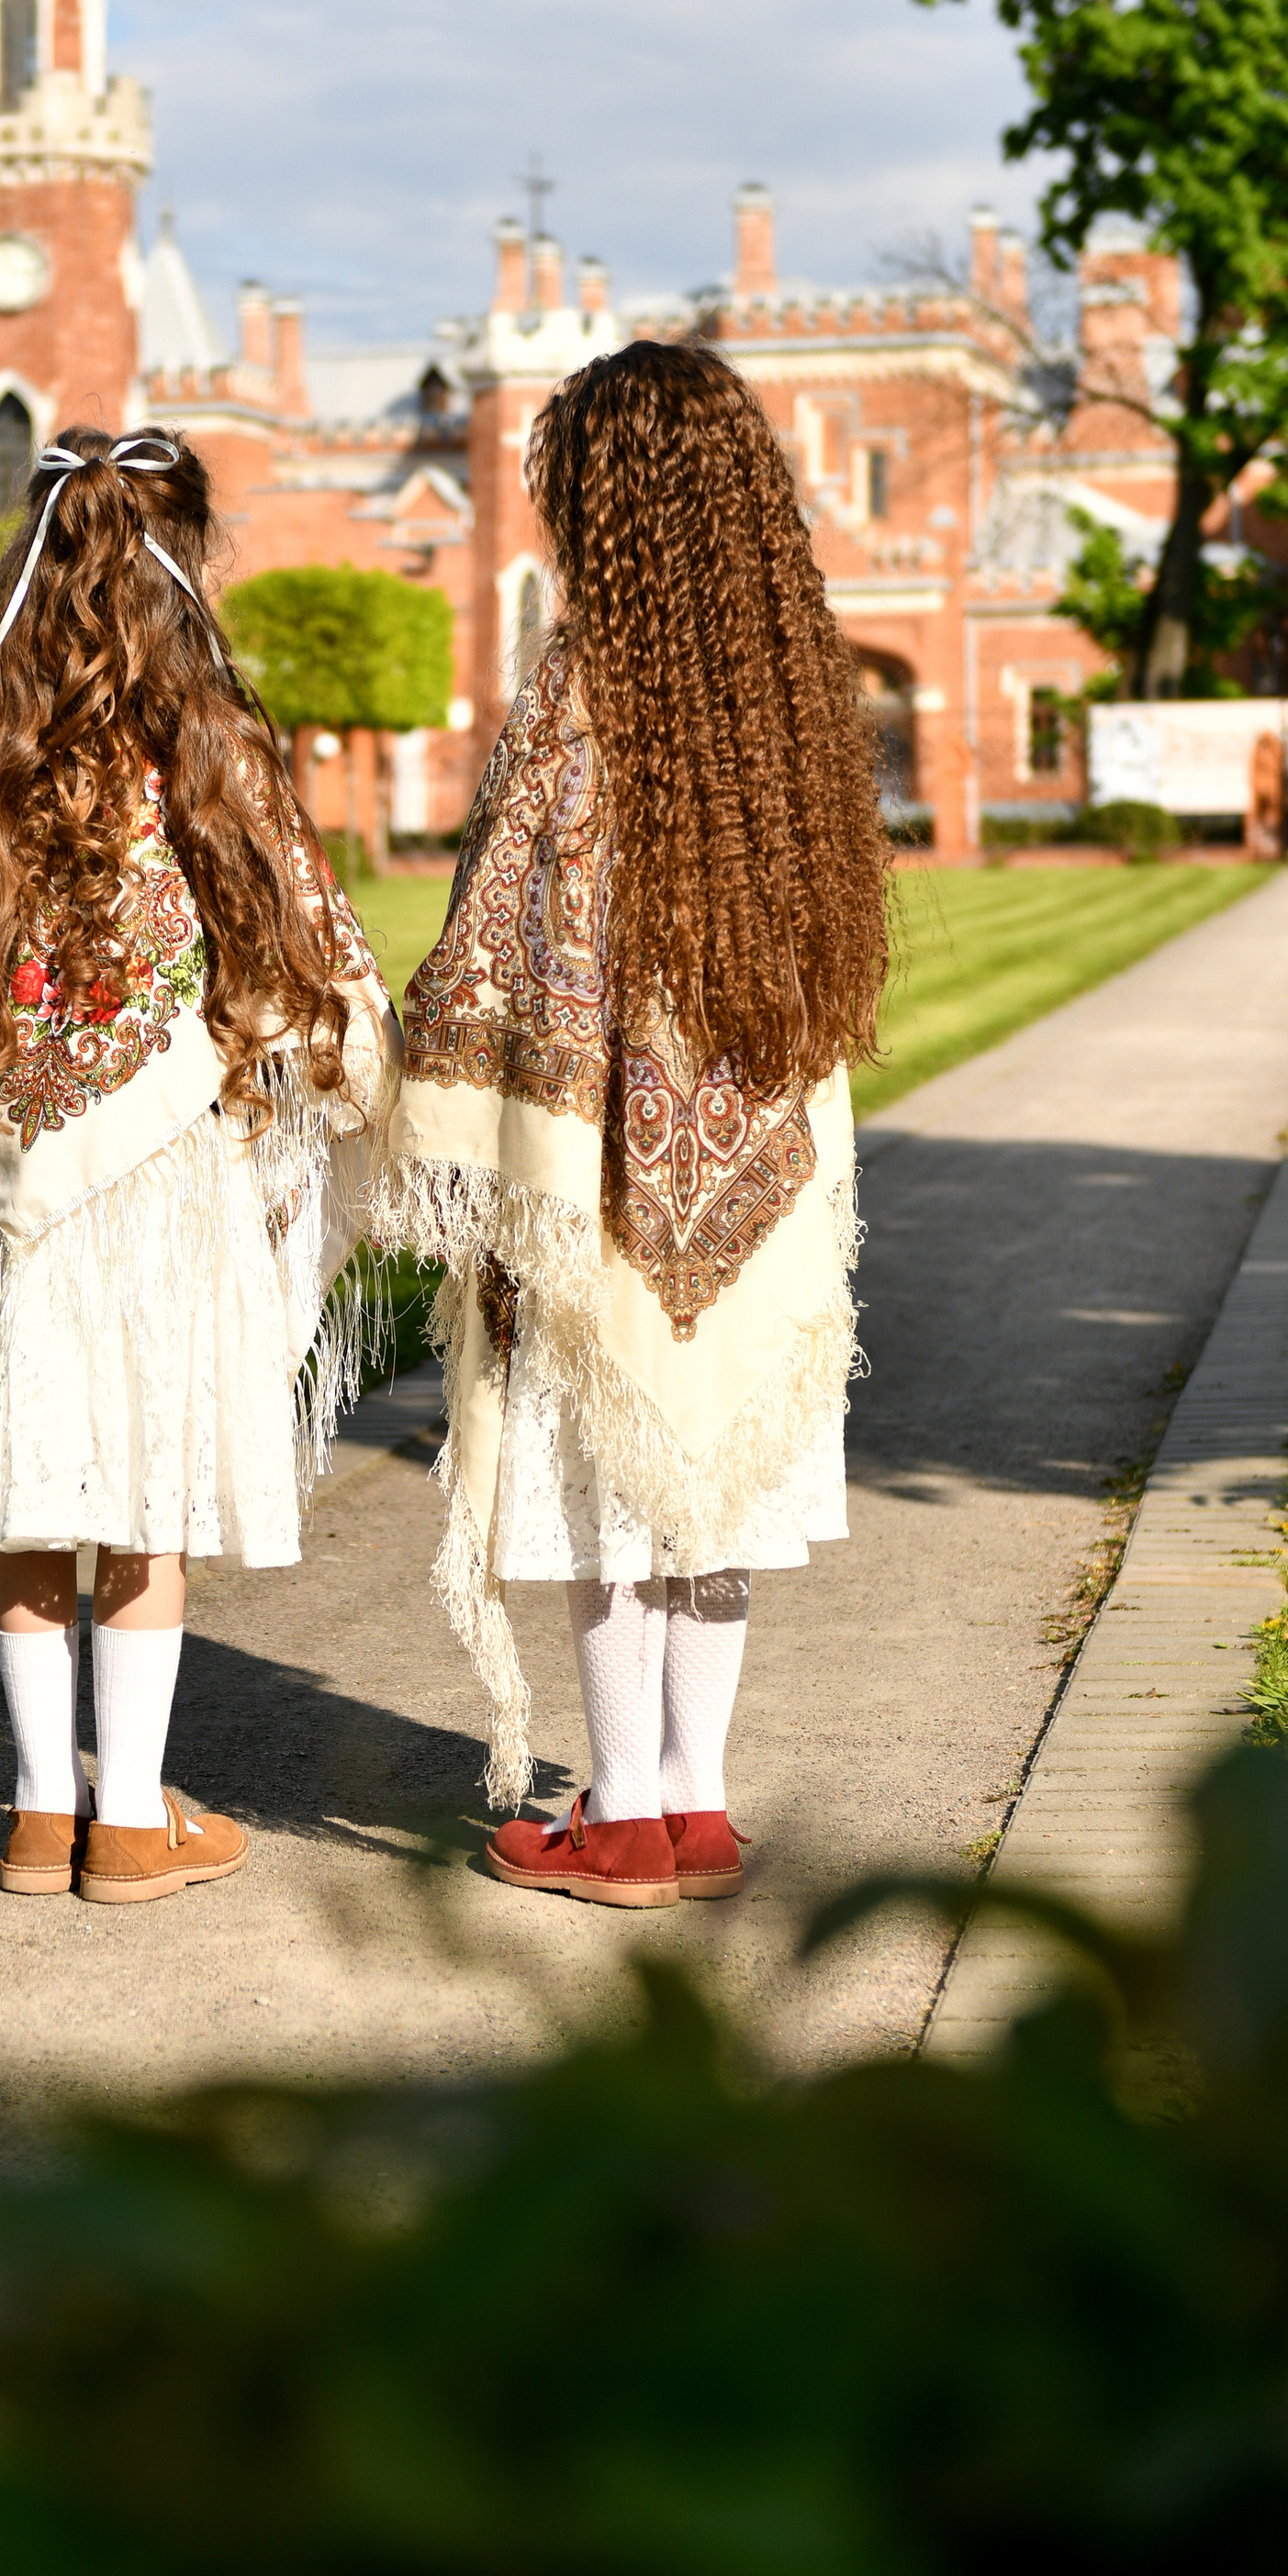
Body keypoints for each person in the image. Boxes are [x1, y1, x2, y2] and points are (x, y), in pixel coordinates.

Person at [374, 341, 890, 1908]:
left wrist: (414, 1088)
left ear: (601, 502)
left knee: (607, 1472)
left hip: (598, 1147)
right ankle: (700, 1803)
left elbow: (501, 941)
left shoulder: (582, 688)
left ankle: (621, 1814)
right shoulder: (799, 687)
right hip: (767, 1149)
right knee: (713, 1467)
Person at [0, 424, 399, 1903]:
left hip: (14, 1175)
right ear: (181, 572)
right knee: (148, 1499)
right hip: (170, 1180)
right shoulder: (219, 758)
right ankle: (133, 1822)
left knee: (39, 1499)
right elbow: (318, 975)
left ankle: (42, 1813)